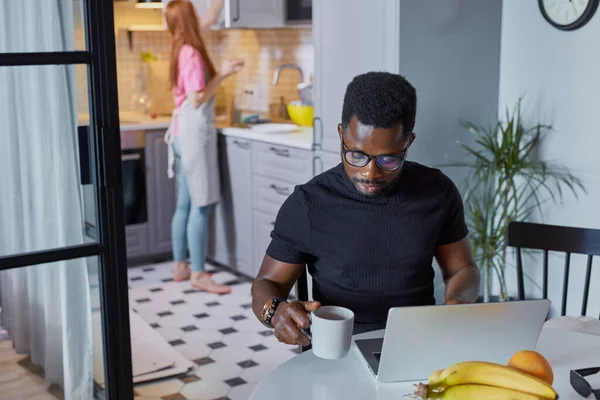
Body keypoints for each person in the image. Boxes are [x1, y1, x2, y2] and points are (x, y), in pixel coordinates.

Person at [251, 71, 480, 346]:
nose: (370, 173)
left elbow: (462, 269)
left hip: (416, 340)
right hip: (338, 346)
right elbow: (266, 283)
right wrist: (276, 312)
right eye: (356, 155)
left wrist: (458, 303)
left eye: (388, 160)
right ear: (341, 134)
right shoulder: (308, 204)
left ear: (408, 142)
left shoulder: (438, 194)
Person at [164, 0, 244, 293]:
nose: (200, 16)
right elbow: (198, 98)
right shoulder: (193, 54)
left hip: (180, 132)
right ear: (188, 19)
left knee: (184, 203)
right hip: (195, 134)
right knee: (202, 203)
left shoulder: (179, 47)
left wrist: (219, 4)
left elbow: (206, 21)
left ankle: (180, 266)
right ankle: (199, 273)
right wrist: (222, 74)